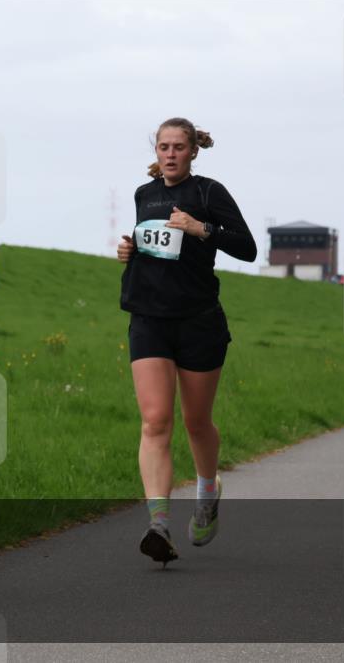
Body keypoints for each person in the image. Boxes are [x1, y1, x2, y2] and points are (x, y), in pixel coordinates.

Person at [117, 117, 257, 567]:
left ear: (193, 151)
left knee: (196, 422)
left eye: (179, 146)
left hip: (198, 321)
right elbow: (151, 245)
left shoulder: (209, 192)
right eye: (164, 146)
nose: (171, 154)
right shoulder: (145, 194)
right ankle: (158, 523)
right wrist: (129, 249)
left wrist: (201, 229)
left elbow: (248, 248)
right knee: (155, 420)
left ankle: (208, 488)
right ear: (155, 152)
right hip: (149, 317)